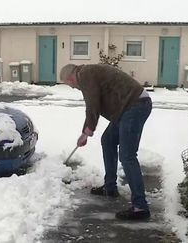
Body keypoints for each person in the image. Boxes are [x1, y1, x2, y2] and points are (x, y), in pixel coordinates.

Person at [60, 63, 152, 220]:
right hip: (126, 107)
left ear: (71, 78)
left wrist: (88, 130)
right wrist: (86, 131)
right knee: (108, 140)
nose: (73, 88)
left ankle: (140, 207)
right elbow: (93, 105)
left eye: (70, 85)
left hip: (135, 105)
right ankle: (110, 187)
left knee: (127, 156)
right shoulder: (87, 74)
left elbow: (92, 103)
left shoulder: (85, 74)